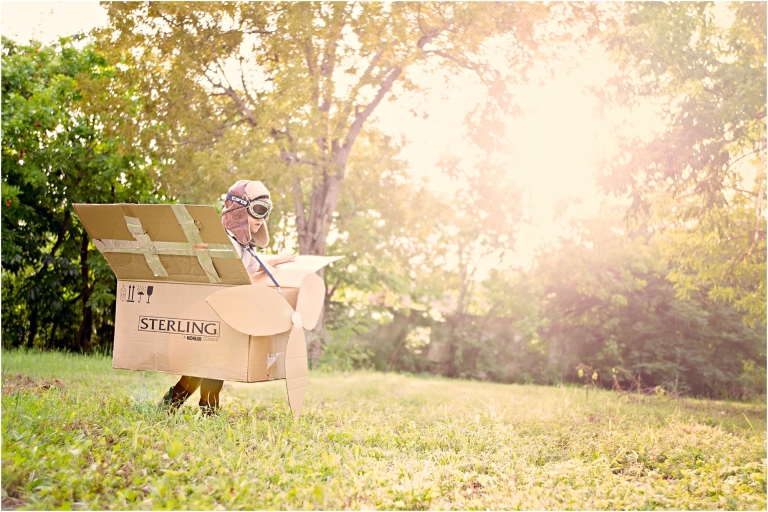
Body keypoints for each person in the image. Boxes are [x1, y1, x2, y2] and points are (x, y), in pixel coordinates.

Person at [160, 180, 295, 415]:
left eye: (265, 212)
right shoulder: (226, 244)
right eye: (258, 211)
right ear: (241, 210)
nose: (261, 219)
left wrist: (278, 260)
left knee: (209, 365)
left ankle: (178, 406)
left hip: (225, 313)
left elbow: (253, 266)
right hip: (212, 311)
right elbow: (240, 280)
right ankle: (201, 409)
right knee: (211, 363)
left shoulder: (241, 245)